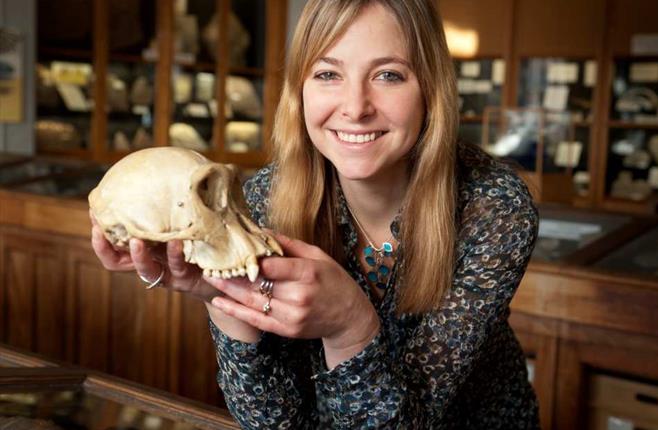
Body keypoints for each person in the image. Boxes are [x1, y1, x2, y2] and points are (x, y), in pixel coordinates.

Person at [91, 0, 540, 428]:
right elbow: (273, 422)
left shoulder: (493, 205)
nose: (355, 107)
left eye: (388, 75)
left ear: (430, 89)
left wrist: (350, 329)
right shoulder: (266, 196)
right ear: (299, 91)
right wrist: (225, 299)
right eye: (327, 73)